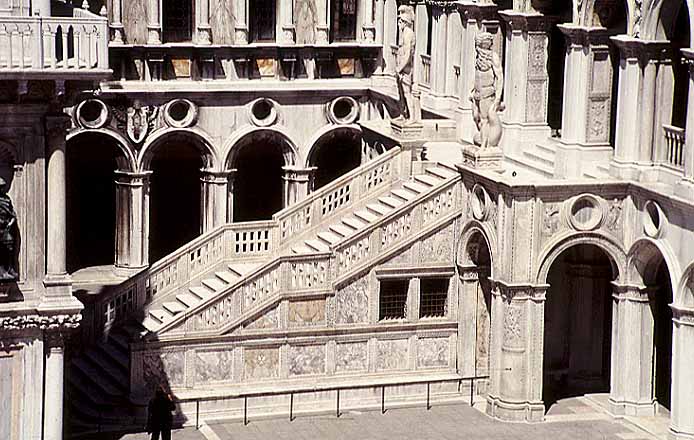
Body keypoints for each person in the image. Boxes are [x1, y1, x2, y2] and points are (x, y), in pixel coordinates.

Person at [470, 32, 504, 149]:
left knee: (485, 119)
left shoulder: (493, 57)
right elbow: (477, 75)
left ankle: (484, 145)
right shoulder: (479, 57)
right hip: (477, 93)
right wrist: (473, 89)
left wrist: (498, 98)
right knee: (476, 117)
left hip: (487, 93)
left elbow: (499, 77)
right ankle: (482, 138)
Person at [395, 5, 416, 124]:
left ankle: (412, 117)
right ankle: (403, 114)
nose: (398, 23)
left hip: (406, 69)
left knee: (407, 93)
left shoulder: (409, 33)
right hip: (401, 68)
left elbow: (407, 54)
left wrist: (400, 68)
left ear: (405, 22)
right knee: (400, 93)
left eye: (400, 21)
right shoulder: (403, 32)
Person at [0, 177, 18, 282]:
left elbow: (12, 213)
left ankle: (9, 268)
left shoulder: (6, 199)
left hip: (6, 228)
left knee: (9, 247)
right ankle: (2, 270)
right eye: (1, 187)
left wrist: (11, 222)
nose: (3, 189)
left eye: (3, 187)